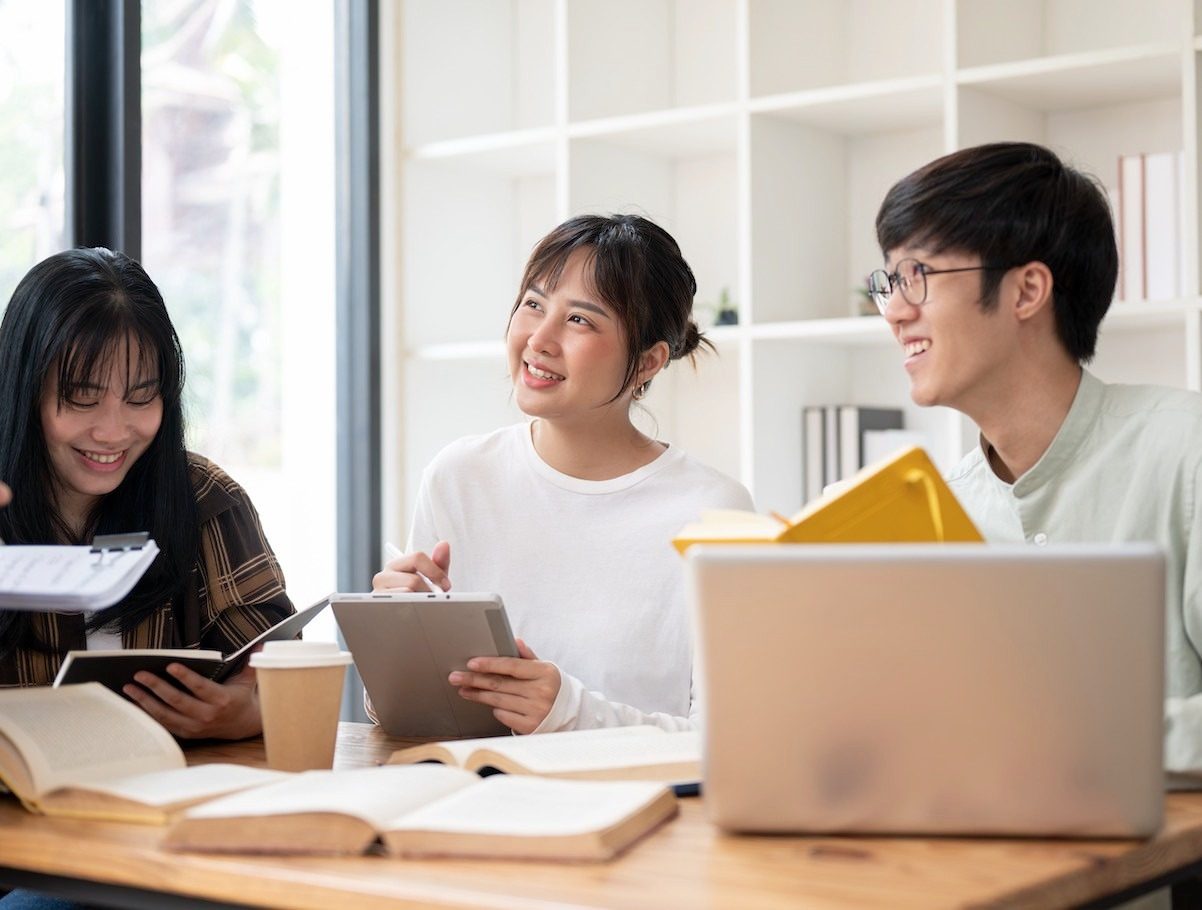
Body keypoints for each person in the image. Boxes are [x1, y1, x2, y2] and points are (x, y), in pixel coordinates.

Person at [869, 141, 1202, 779]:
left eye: (918, 276)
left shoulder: (1183, 454)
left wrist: (1069, 738)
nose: (894, 310)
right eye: (888, 282)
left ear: (1027, 291)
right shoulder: (935, 511)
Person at [373, 213, 753, 734]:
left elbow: (731, 738)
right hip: (474, 797)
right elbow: (412, 718)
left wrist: (569, 714)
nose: (540, 339)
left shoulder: (714, 512)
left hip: (637, 807)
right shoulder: (459, 476)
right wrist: (397, 651)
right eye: (533, 305)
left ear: (647, 363)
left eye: (580, 320)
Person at [0, 247, 294, 741]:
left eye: (140, 397)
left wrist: (249, 710)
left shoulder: (206, 500)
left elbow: (280, 666)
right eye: (82, 398)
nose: (113, 432)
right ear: (22, 391)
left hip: (173, 797)